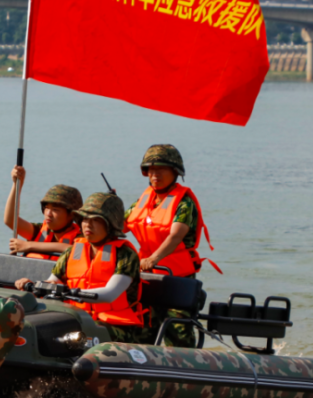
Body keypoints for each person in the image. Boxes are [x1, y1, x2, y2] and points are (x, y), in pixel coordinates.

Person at [15, 192, 144, 344]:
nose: (88, 225)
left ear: (110, 223)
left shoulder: (125, 254)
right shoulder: (73, 250)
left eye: (96, 220)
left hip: (116, 326)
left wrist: (69, 293)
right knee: (32, 327)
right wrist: (33, 285)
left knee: (70, 337)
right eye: (84, 219)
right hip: (77, 317)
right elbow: (52, 282)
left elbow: (110, 294)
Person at [125, 144, 217, 348]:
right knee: (143, 329)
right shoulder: (144, 199)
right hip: (148, 277)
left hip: (177, 278)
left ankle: (188, 373)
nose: (155, 174)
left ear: (175, 172)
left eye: (161, 169)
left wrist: (153, 259)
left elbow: (175, 236)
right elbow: (121, 226)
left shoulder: (184, 203)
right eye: (151, 170)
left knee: (178, 333)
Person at [3, 165, 83, 260]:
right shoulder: (39, 231)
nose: (48, 214)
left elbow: (74, 250)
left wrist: (29, 245)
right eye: (46, 208)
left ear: (71, 214)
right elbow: (10, 220)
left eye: (55, 210)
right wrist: (17, 184)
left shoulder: (82, 237)